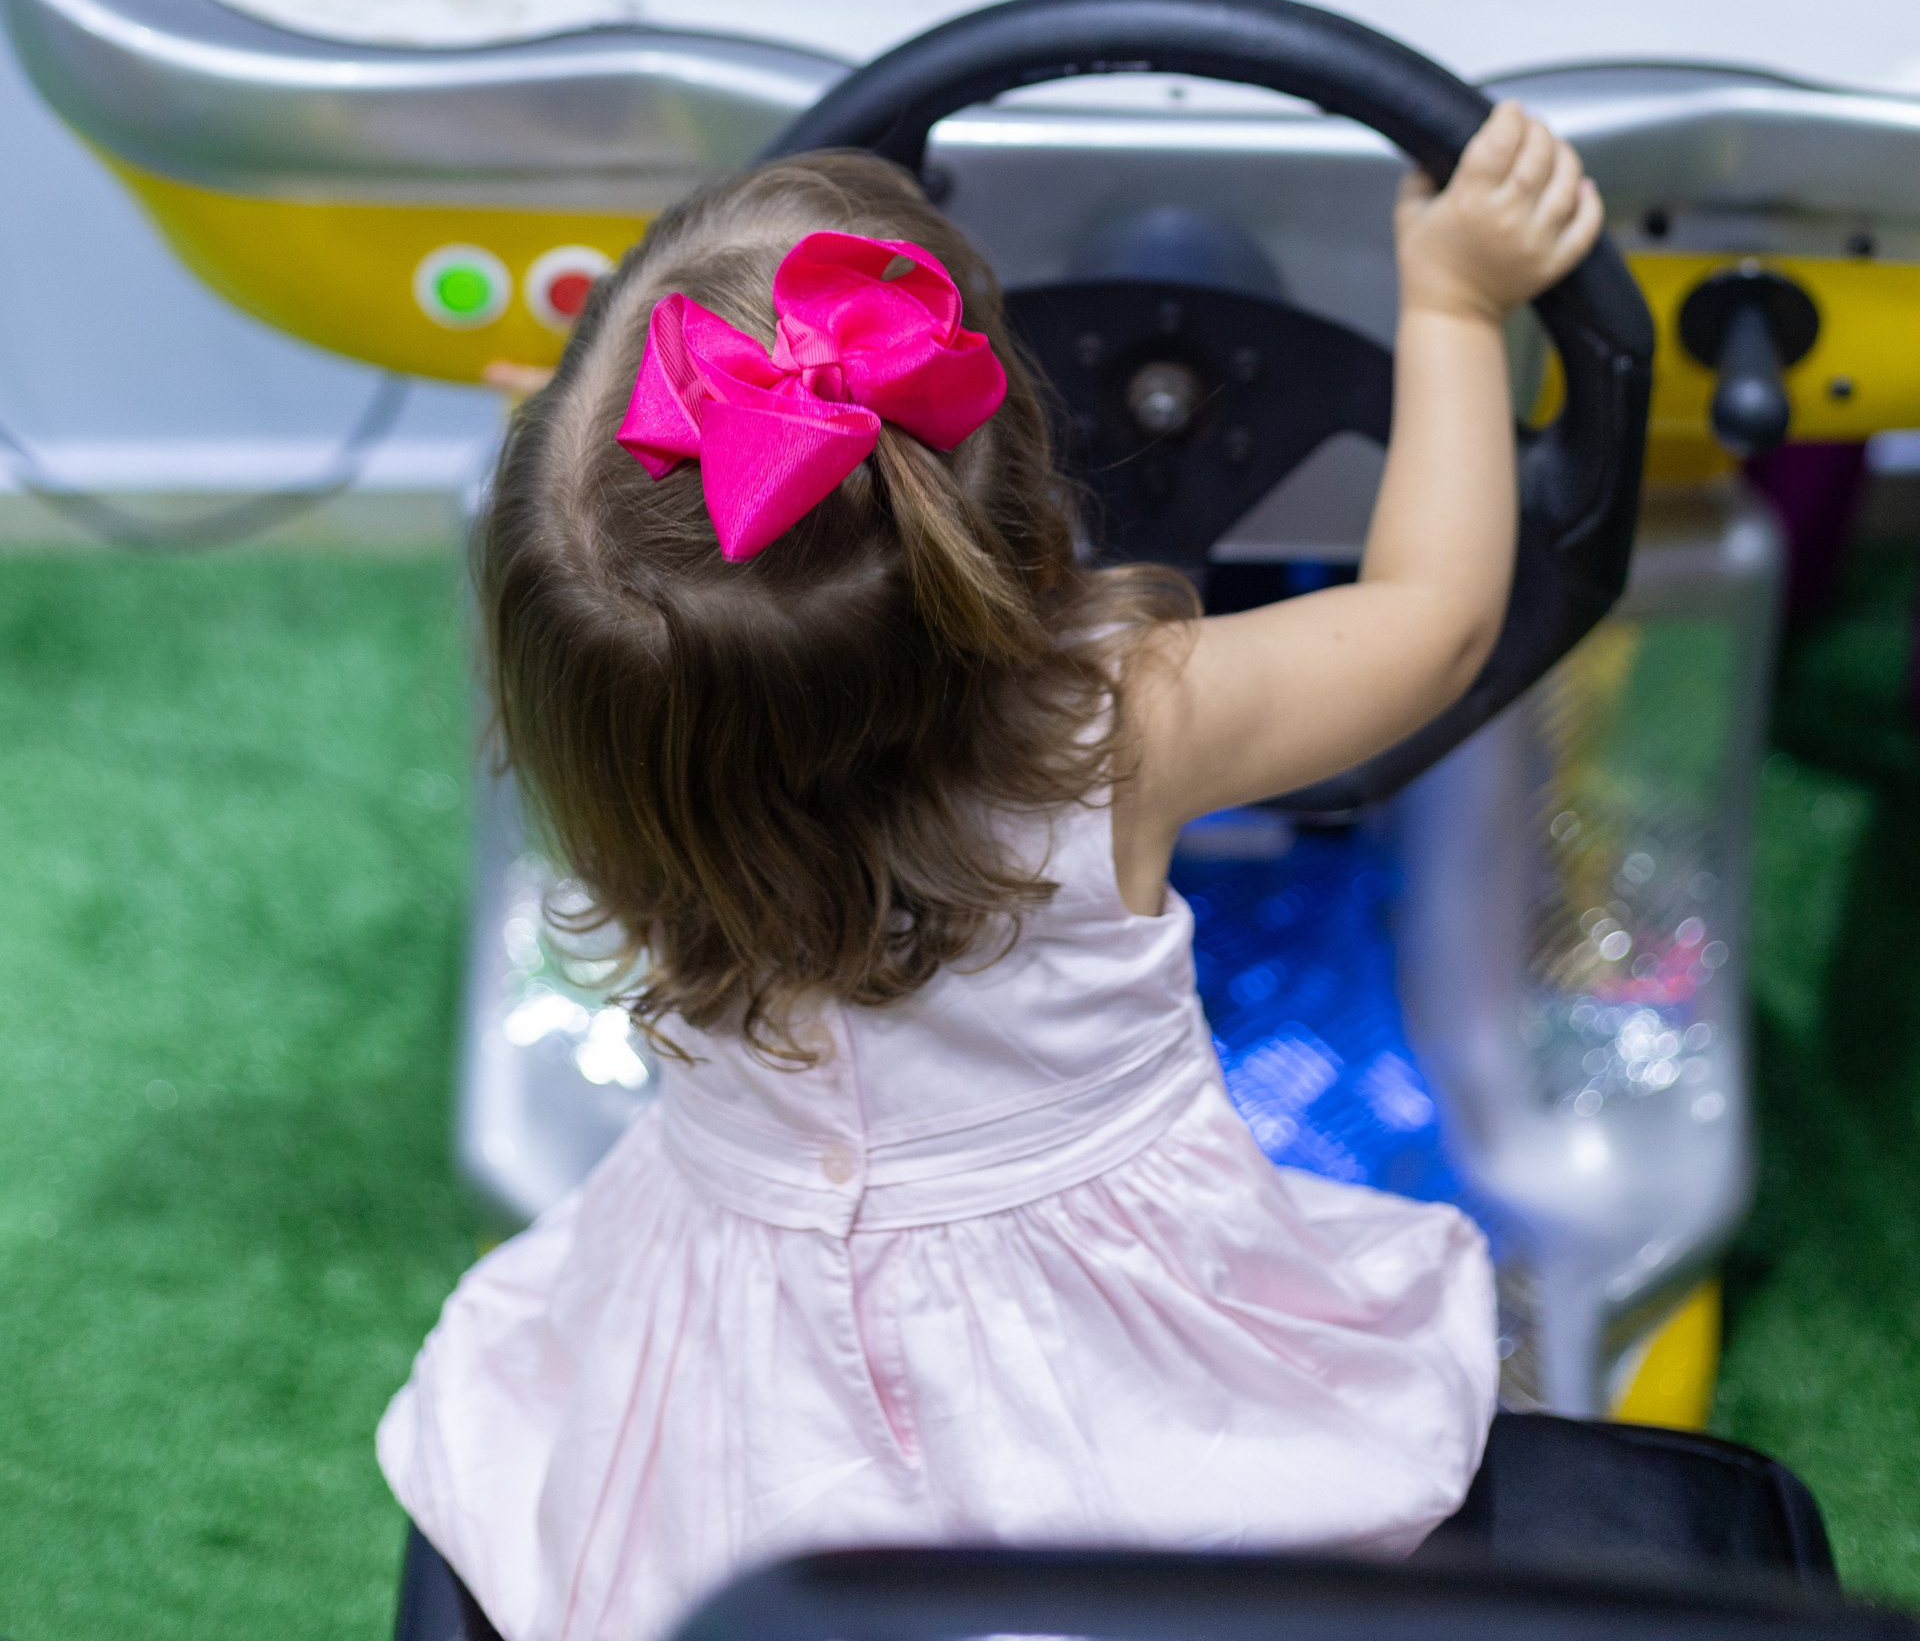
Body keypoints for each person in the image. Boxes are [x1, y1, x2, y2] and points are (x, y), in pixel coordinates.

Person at [380, 105, 1603, 1641]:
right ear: (1021, 505)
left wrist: (578, 475)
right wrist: (1454, 301)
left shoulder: (627, 717)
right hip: (1115, 1395)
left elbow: (665, 592)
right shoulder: (1116, 726)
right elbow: (1437, 614)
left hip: (743, 1425)